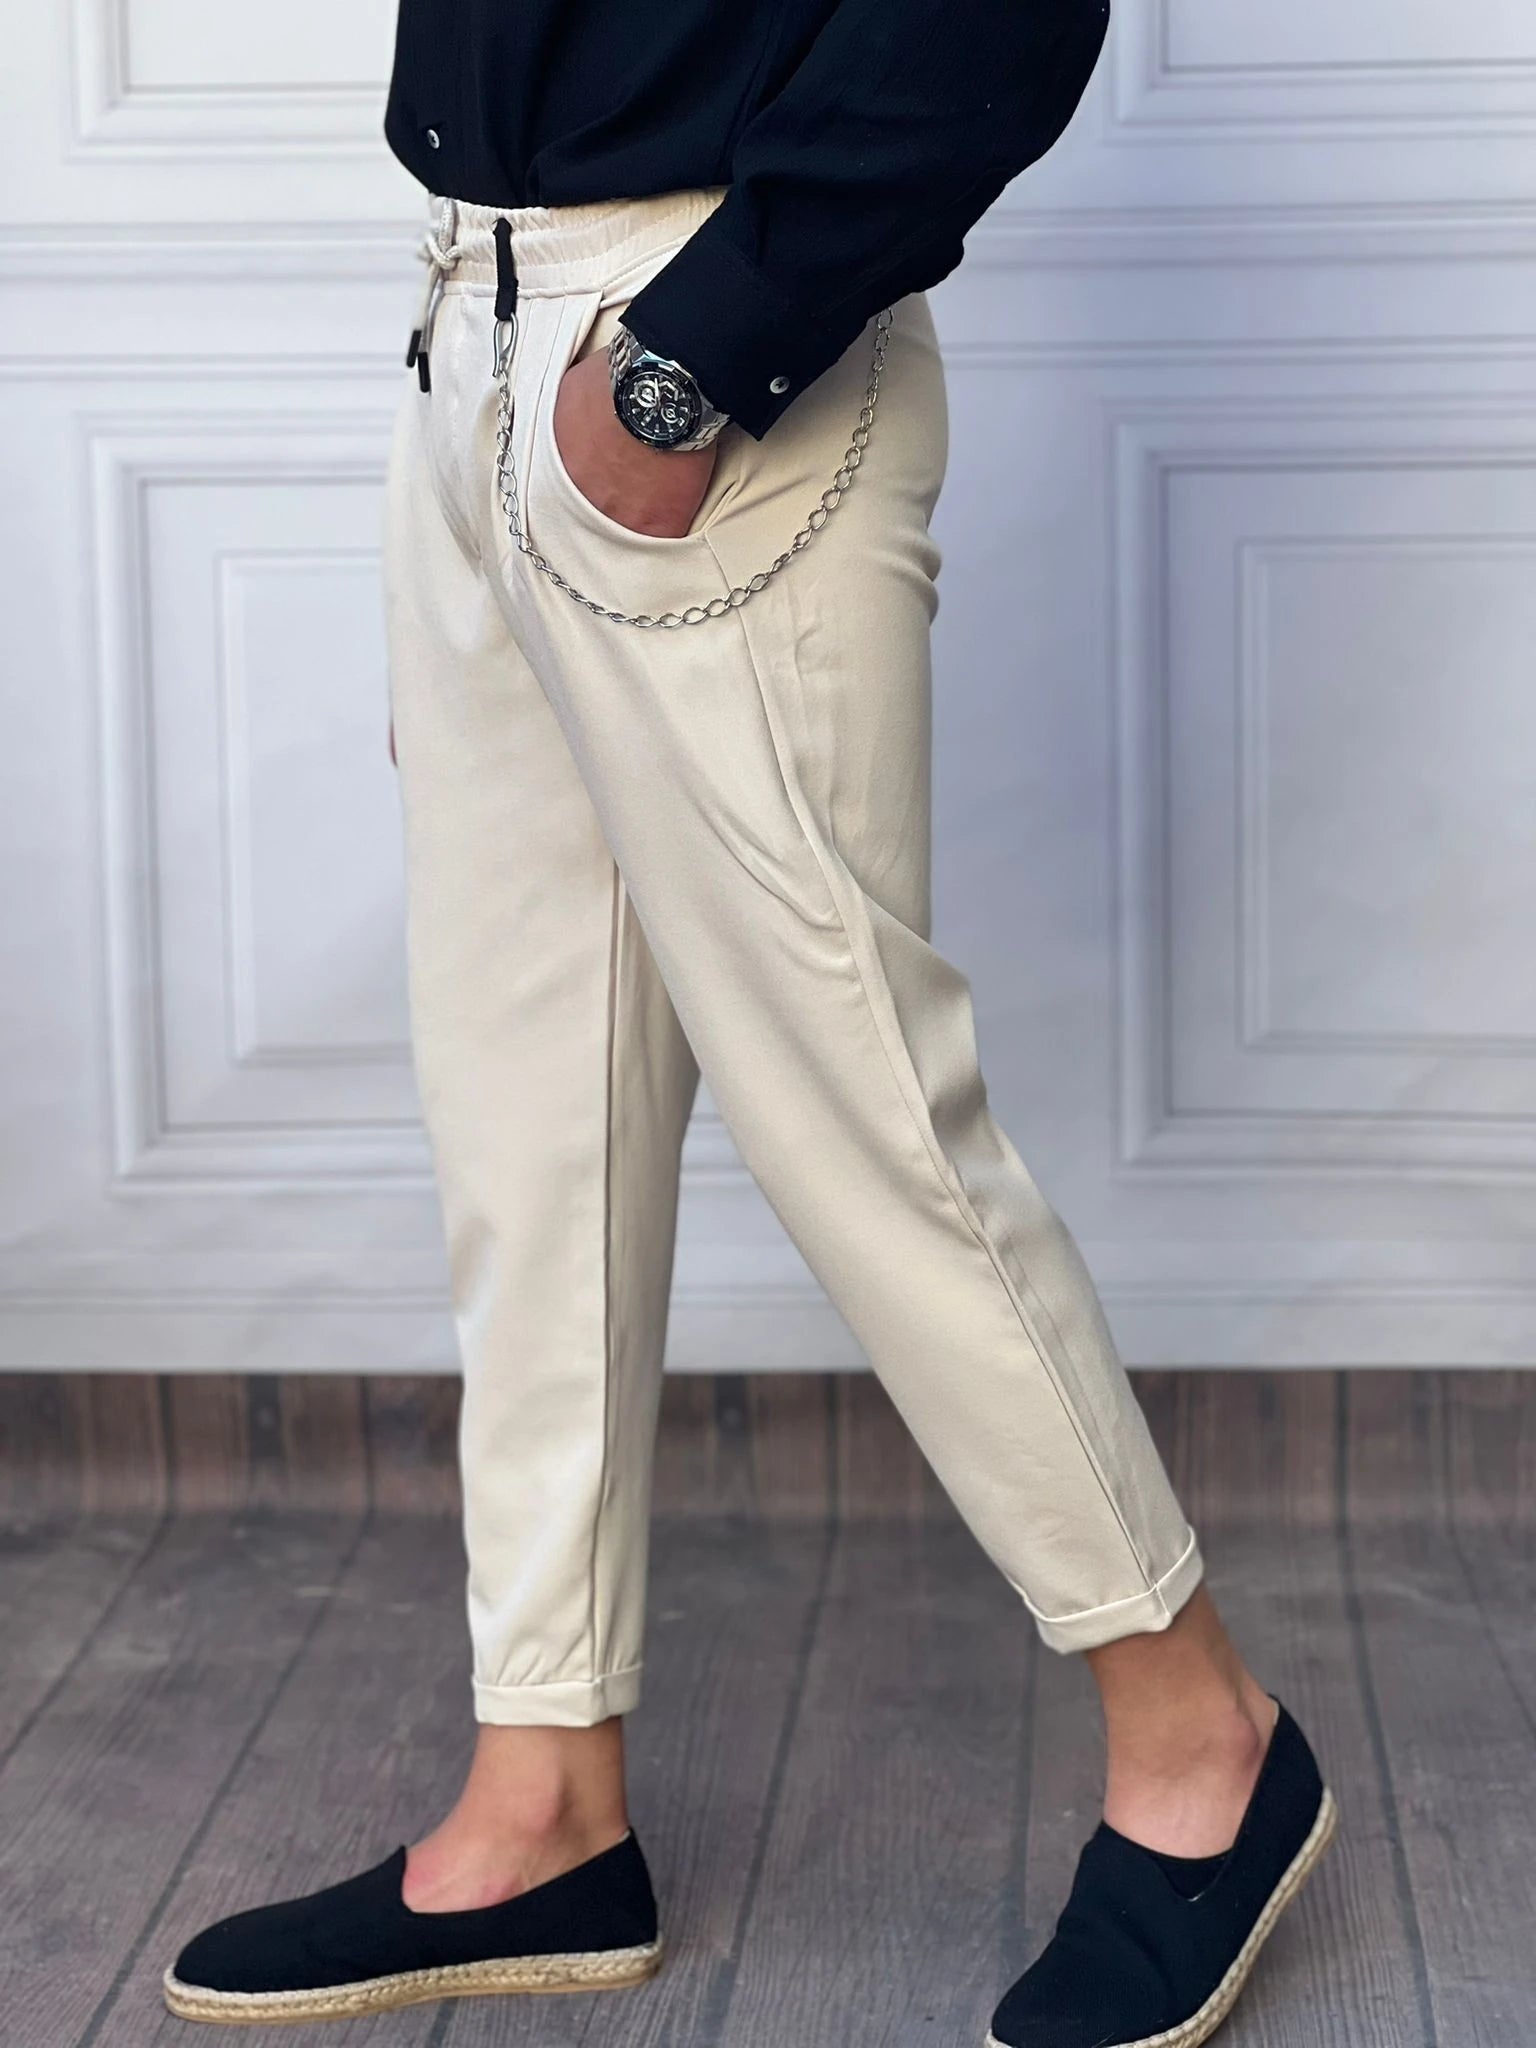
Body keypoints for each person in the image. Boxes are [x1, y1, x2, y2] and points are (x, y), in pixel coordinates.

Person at [162, 2, 1336, 2041]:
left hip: (698, 371)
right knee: (529, 1130)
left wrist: (691, 358)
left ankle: (1200, 1735)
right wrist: (498, 408)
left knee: (859, 1116)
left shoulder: (692, 357)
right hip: (484, 326)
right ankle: (541, 1798)